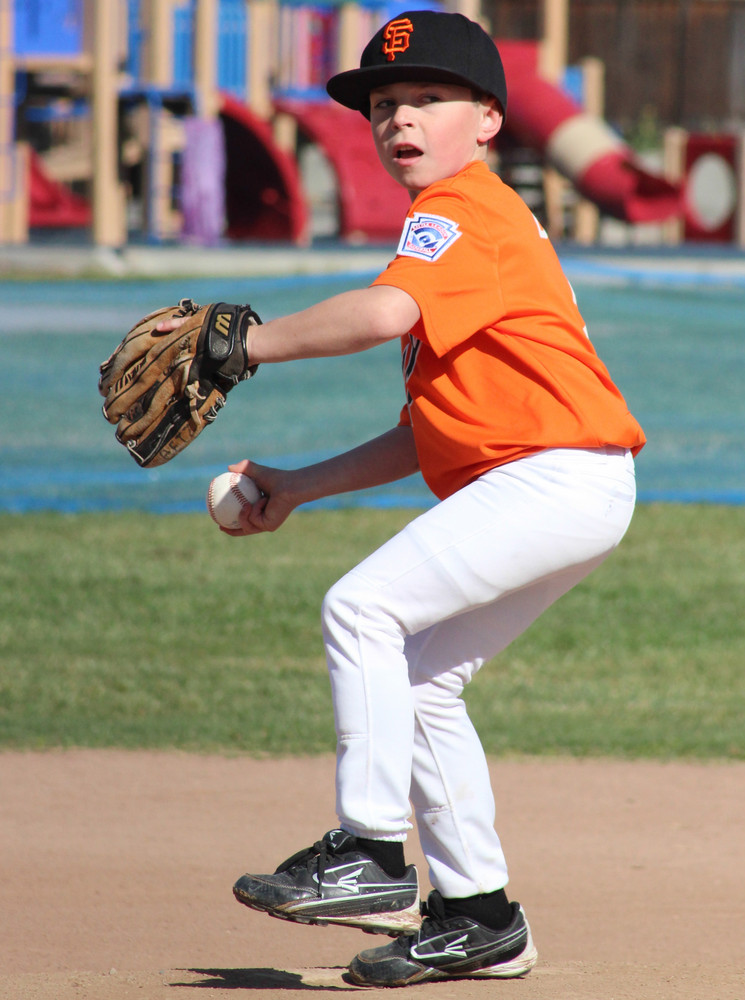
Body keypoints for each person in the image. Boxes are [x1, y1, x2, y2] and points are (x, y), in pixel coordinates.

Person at [167, 9, 646, 987]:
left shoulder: (458, 211)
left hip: (554, 477)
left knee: (362, 608)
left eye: (429, 97)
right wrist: (299, 486)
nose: (400, 118)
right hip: (569, 481)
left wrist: (246, 343)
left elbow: (382, 310)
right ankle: (479, 916)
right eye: (384, 103)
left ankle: (370, 853)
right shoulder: (465, 231)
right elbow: (426, 433)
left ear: (488, 120)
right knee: (421, 684)